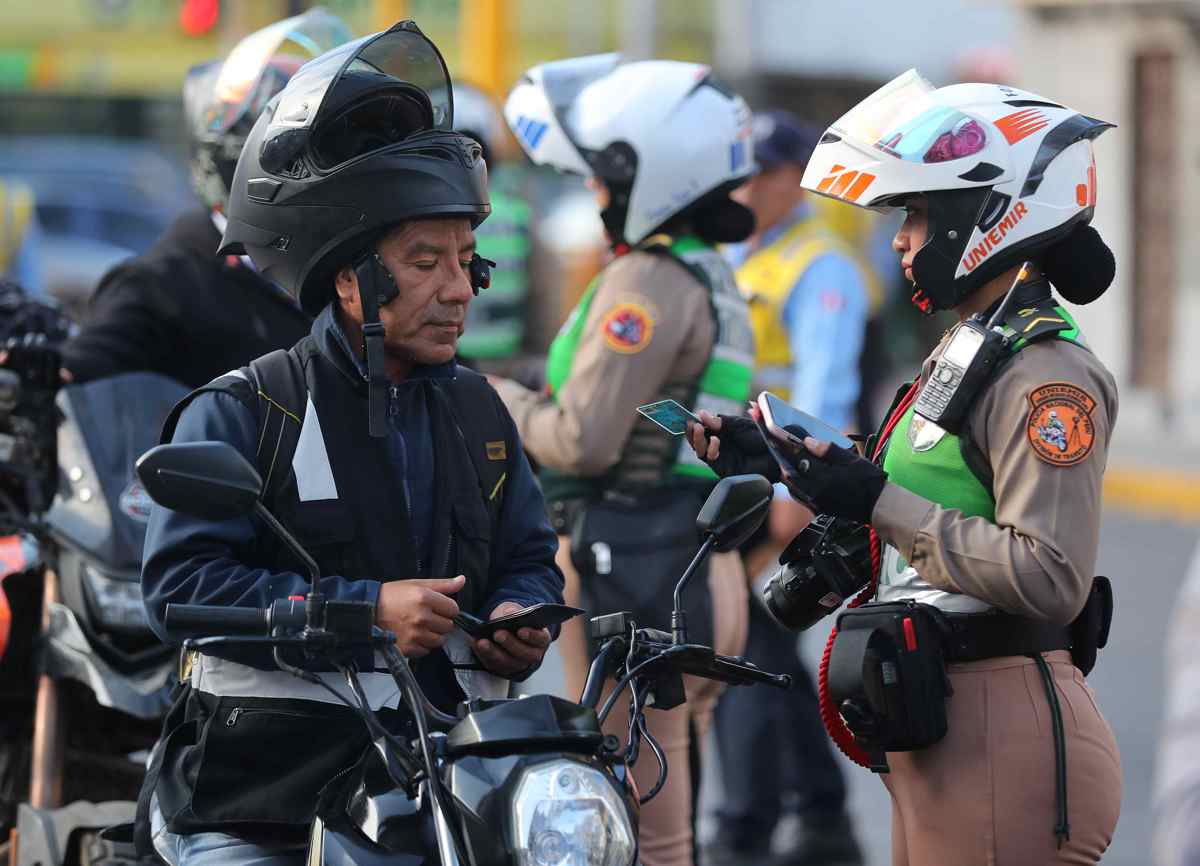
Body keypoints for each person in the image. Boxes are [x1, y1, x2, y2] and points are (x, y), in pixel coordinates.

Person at [138, 22, 563, 866]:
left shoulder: (480, 412)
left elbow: (529, 553)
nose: (457, 289)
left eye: (466, 260)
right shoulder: (245, 409)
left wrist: (520, 612)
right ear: (349, 279)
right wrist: (363, 612)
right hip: (255, 803)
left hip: (438, 792)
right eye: (426, 260)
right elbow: (178, 588)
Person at [688, 70, 1122, 865]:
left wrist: (878, 499)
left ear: (988, 215)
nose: (900, 239)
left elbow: (1052, 574)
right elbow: (927, 490)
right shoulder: (971, 349)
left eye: (918, 214)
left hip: (1000, 721)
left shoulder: (1046, 375)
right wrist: (787, 459)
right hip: (938, 716)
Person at [495, 55, 757, 866]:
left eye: (606, 179)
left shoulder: (646, 277)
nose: (598, 196)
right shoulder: (708, 270)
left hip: (633, 570)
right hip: (694, 564)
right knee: (672, 822)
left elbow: (583, 440)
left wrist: (493, 397)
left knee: (640, 834)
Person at [708, 108, 867, 866]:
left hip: (791, 489)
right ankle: (822, 814)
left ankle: (747, 825)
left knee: (749, 643)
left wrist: (788, 504)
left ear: (786, 179)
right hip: (751, 484)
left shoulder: (821, 266)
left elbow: (826, 396)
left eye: (757, 172)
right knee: (766, 646)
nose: (743, 185)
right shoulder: (746, 253)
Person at [59, 8, 353, 387]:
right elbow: (88, 365)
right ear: (240, 163)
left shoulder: (340, 269)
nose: (326, 180)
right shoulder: (163, 284)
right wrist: (48, 373)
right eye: (300, 160)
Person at [452, 81, 532, 362]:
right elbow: (542, 299)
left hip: (444, 357)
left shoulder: (418, 216)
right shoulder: (517, 213)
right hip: (507, 358)